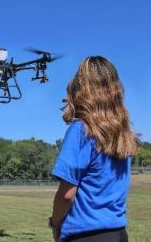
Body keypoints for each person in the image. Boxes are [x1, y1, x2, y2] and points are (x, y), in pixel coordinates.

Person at [49, 56, 138, 242]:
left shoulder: (81, 130)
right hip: (119, 234)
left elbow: (67, 194)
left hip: (85, 235)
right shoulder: (124, 135)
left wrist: (55, 224)